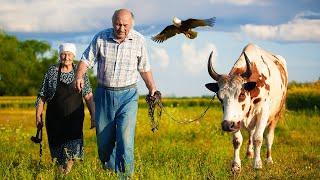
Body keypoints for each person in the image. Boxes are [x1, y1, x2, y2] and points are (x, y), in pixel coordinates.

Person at [73, 9, 158, 176]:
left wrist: (152, 88)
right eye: (118, 24)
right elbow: (85, 60)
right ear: (113, 23)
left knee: (125, 140)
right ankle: (111, 172)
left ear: (131, 24)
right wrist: (79, 75)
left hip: (128, 96)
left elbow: (144, 68)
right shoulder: (101, 37)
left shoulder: (139, 40)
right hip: (104, 95)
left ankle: (125, 176)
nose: (121, 28)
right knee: (104, 144)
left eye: (125, 25)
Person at [35, 43, 95, 174]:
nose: (66, 57)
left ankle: (65, 173)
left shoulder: (80, 72)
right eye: (63, 54)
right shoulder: (51, 72)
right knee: (57, 154)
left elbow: (88, 95)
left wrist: (93, 116)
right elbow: (42, 96)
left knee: (71, 151)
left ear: (74, 56)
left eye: (69, 54)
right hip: (54, 120)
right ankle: (60, 173)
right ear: (59, 55)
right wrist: (38, 117)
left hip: (74, 119)